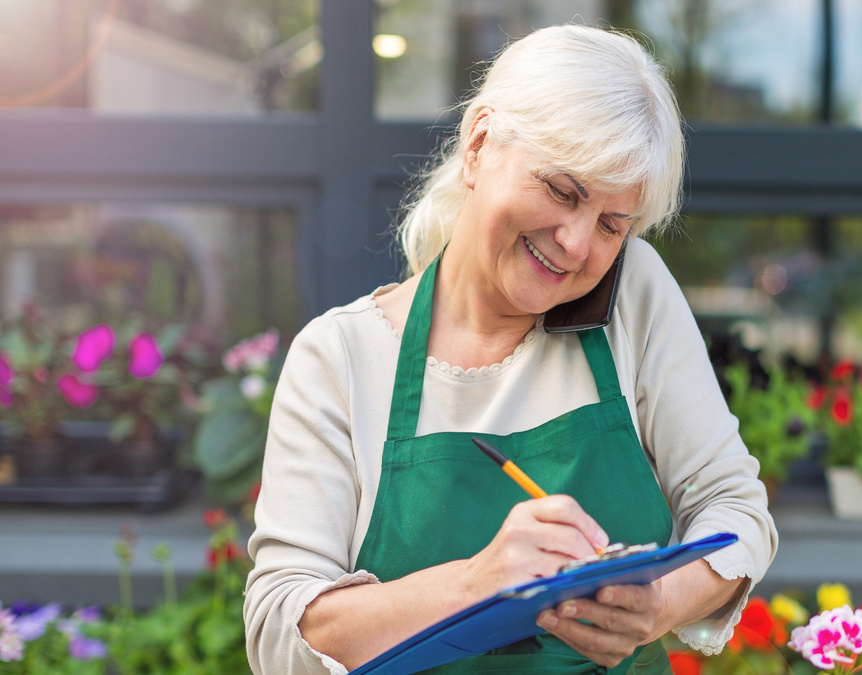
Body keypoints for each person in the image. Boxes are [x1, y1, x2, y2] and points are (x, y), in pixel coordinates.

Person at [244, 24, 778, 675]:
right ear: (478, 145)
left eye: (613, 223)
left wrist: (660, 603)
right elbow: (280, 632)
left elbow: (737, 511)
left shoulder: (630, 294)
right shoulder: (339, 357)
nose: (579, 245)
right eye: (562, 190)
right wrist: (478, 584)